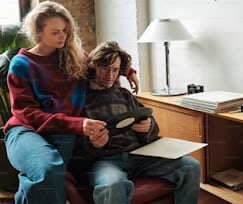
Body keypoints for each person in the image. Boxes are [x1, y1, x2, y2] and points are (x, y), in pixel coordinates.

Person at [3, 2, 138, 203]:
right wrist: (77, 124)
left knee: (44, 173)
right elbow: (27, 113)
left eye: (66, 31)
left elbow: (103, 62)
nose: (63, 37)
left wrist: (129, 71)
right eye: (55, 32)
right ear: (38, 32)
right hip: (26, 130)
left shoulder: (75, 57)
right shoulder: (22, 63)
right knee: (48, 167)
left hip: (63, 133)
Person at [72, 41, 201, 204]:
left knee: (190, 165)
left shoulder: (124, 95)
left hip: (139, 156)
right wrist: (94, 145)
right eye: (104, 69)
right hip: (105, 161)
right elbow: (76, 149)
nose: (110, 76)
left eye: (115, 70)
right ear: (93, 66)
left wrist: (147, 128)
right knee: (113, 184)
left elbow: (151, 127)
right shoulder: (81, 99)